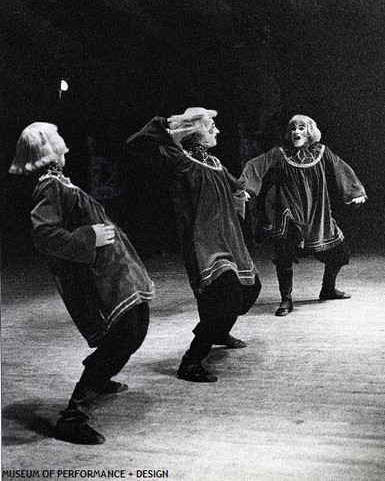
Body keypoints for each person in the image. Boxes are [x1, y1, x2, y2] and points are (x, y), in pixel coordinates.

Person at [9, 122, 155, 445]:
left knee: (132, 326)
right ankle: (73, 415)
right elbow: (43, 234)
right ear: (50, 149)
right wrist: (89, 237)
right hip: (100, 273)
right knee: (130, 328)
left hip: (112, 268)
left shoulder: (59, 183)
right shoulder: (50, 186)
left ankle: (99, 377)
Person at [126, 108, 262, 383]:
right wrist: (170, 124)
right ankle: (191, 361)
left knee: (250, 289)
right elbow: (135, 143)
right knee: (226, 296)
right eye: (211, 126)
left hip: (229, 239)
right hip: (204, 242)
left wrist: (239, 198)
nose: (217, 131)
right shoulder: (179, 160)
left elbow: (236, 184)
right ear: (195, 131)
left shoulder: (213, 161)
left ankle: (218, 330)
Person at [241, 114, 367, 316]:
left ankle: (328, 288)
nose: (296, 132)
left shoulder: (321, 151)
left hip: (317, 213)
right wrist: (246, 188)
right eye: (293, 129)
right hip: (290, 212)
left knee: (340, 253)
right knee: (284, 257)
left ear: (310, 132)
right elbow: (255, 166)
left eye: (301, 128)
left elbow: (341, 169)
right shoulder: (280, 153)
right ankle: (286, 299)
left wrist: (355, 192)